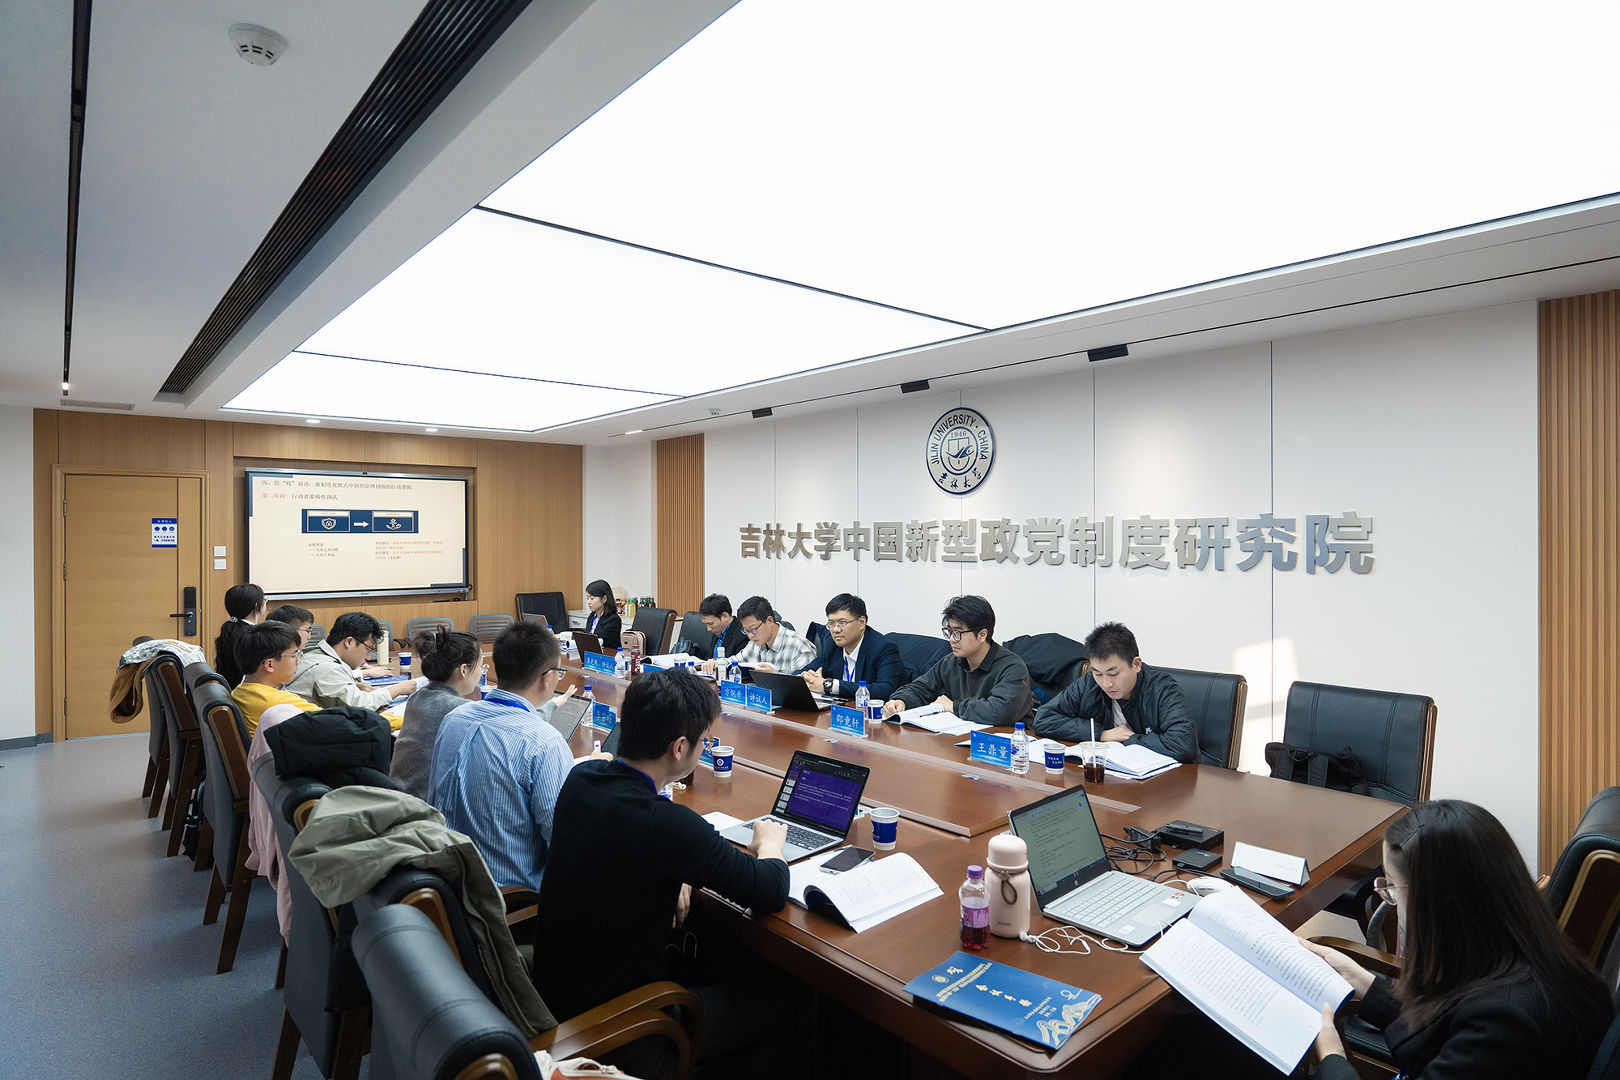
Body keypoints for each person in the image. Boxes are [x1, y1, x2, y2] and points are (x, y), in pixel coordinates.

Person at [535, 667, 791, 1076]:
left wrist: (680, 870)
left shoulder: (582, 778)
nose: (705, 748)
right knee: (781, 1004)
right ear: (679, 747)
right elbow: (769, 889)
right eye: (705, 741)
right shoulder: (666, 825)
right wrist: (770, 845)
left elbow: (629, 847)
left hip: (557, 996)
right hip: (625, 1028)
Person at [1305, 800, 1610, 1079]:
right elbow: (1450, 1024)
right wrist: (1361, 980)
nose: (1389, 898)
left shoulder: (1502, 1025)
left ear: (1434, 905)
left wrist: (1331, 1056)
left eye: (1392, 886)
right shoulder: (1514, 955)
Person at [427, 621, 575, 892]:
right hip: (511, 898)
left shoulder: (454, 718)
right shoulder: (544, 742)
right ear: (547, 678)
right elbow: (564, 841)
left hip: (446, 880)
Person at [1031, 621, 1198, 762]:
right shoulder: (1089, 683)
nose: (1106, 683)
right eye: (1098, 673)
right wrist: (1101, 735)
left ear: (1136, 664)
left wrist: (1129, 739)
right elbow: (1043, 719)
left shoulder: (1163, 689)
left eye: (1113, 673)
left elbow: (1183, 744)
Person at [882, 596, 1033, 727]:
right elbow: (920, 688)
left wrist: (953, 706)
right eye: (949, 632)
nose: (952, 639)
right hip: (960, 737)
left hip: (1008, 743)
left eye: (958, 633)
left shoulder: (1012, 667)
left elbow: (999, 711)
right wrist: (901, 700)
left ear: (982, 635)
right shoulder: (951, 662)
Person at [389, 627, 482, 802]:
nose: (481, 671)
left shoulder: (417, 697)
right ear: (464, 670)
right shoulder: (461, 710)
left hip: (398, 796)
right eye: (480, 665)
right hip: (426, 807)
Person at [284, 611, 418, 726]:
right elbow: (360, 706)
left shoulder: (316, 653)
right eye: (369, 649)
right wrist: (398, 689)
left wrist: (354, 684)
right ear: (349, 642)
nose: (368, 656)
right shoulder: (328, 668)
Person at [798, 592, 904, 702]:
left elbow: (884, 690)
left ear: (862, 623)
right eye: (831, 624)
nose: (835, 630)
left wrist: (830, 685)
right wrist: (805, 678)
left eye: (842, 623)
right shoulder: (831, 644)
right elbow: (808, 669)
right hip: (841, 708)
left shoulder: (884, 648)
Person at [229, 621, 318, 737]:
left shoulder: (240, 691)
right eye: (294, 655)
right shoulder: (276, 701)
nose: (299, 661)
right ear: (269, 664)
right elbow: (333, 721)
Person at [713, 595, 817, 674]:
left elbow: (805, 685)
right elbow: (734, 661)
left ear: (769, 621)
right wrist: (715, 663)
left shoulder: (800, 648)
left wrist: (775, 677)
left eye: (753, 629)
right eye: (746, 630)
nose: (750, 635)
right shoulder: (754, 644)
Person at [213, 583, 266, 687]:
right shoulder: (252, 636)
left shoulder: (231, 628)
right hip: (244, 689)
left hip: (231, 687)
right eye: (264, 599)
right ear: (256, 606)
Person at [698, 593, 749, 663]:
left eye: (710, 624)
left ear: (725, 616)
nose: (708, 629)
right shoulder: (718, 630)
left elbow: (738, 665)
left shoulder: (742, 634)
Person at [583, 579, 622, 650]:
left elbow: (595, 639)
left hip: (608, 655)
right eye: (587, 598)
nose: (588, 602)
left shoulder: (613, 619)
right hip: (593, 652)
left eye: (592, 598)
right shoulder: (592, 616)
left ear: (604, 599)